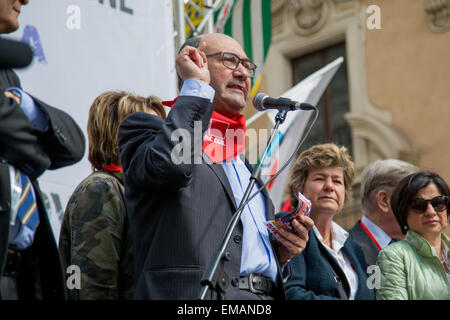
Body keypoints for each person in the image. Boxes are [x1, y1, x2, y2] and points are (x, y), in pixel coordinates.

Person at [118, 33, 314, 300]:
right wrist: (196, 86)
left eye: (247, 66)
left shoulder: (242, 162)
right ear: (195, 61)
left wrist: (280, 252)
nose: (244, 74)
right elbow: (171, 167)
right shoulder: (146, 129)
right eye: (230, 60)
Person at [0, 0, 85, 299]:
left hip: (19, 275)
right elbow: (18, 141)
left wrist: (26, 105)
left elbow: (73, 147)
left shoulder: (8, 73)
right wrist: (34, 156)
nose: (25, 1)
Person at [58, 92, 166, 300]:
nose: (162, 143)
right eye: (151, 133)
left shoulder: (141, 192)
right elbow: (91, 288)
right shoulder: (102, 188)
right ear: (117, 136)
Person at [284, 143, 375, 300]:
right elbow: (291, 294)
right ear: (298, 188)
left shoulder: (353, 248)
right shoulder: (291, 227)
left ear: (344, 193)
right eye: (319, 179)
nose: (329, 187)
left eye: (337, 181)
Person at [377, 170, 450, 299]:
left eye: (438, 203)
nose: (431, 212)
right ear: (404, 213)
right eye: (419, 205)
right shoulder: (393, 256)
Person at [348, 159, 419, 267]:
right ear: (384, 201)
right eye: (413, 199)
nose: (423, 209)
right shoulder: (345, 251)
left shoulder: (421, 248)